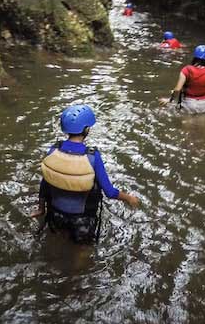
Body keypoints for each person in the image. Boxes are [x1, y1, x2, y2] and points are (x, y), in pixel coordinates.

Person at [33, 104, 139, 243]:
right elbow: (109, 192)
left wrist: (41, 208)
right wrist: (129, 198)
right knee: (82, 254)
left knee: (56, 242)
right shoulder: (92, 156)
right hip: (82, 220)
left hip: (55, 214)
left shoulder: (54, 149)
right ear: (86, 129)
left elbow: (45, 182)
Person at [169, 44, 205, 114]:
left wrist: (170, 100)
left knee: (186, 124)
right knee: (202, 125)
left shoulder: (186, 70)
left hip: (188, 103)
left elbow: (177, 89)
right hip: (204, 104)